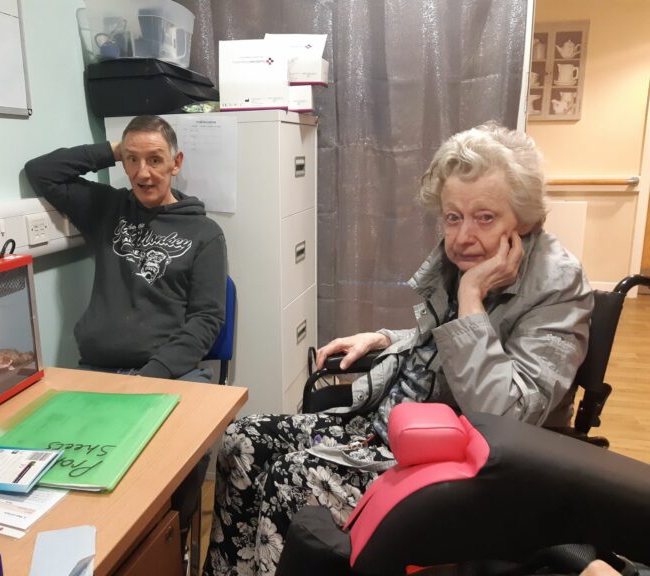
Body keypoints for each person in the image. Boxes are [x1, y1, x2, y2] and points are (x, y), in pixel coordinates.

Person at [203, 123, 593, 576]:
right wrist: (387, 337)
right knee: (242, 439)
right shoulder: (475, 258)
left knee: (290, 478)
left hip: (449, 468)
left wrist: (470, 298)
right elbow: (443, 346)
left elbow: (507, 416)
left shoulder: (558, 286)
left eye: (485, 217)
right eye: (453, 217)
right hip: (390, 427)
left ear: (523, 220)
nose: (462, 236)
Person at [24, 114, 227, 558]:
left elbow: (207, 320)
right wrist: (115, 149)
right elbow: (41, 171)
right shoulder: (108, 208)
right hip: (97, 371)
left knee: (168, 474)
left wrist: (149, 377)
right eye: (132, 160)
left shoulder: (205, 233)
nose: (143, 172)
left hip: (170, 374)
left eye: (155, 159)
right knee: (64, 476)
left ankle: (172, 551)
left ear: (176, 162)